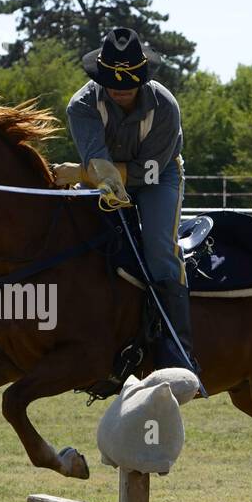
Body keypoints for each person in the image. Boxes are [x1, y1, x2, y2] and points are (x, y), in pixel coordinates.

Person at [64, 27, 200, 378]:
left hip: (160, 177)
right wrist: (95, 173)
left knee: (158, 249)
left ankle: (178, 351)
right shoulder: (81, 106)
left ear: (142, 78)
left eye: (128, 83)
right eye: (112, 82)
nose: (120, 90)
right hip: (106, 176)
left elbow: (148, 173)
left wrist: (81, 173)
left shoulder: (166, 107)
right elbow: (99, 162)